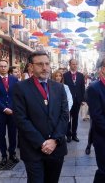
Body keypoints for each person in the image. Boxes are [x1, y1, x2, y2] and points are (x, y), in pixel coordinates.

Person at [12, 51, 69, 183]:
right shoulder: (20, 88)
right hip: (33, 149)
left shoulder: (59, 88)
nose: (45, 67)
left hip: (56, 148)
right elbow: (21, 119)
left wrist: (54, 140)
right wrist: (42, 143)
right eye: (40, 64)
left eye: (47, 64)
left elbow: (64, 115)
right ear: (31, 67)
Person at [0, 60, 19, 165]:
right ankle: (4, 155)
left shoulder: (14, 79)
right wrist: (4, 108)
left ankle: (12, 153)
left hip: (12, 112)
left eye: (5, 66)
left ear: (7, 67)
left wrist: (12, 108)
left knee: (12, 134)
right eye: (1, 66)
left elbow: (17, 95)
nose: (3, 68)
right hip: (0, 112)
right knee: (1, 135)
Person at [63, 59, 85, 143]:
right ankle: (68, 135)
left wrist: (82, 99)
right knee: (68, 118)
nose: (75, 66)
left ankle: (74, 135)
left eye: (76, 64)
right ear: (69, 65)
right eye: (73, 64)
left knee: (75, 118)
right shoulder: (65, 75)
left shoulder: (80, 75)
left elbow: (82, 87)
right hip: (68, 101)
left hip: (77, 100)